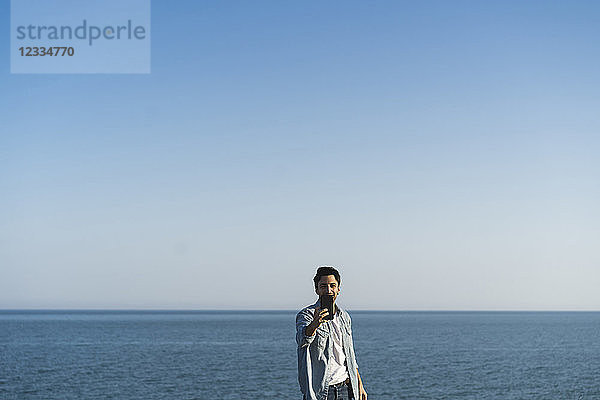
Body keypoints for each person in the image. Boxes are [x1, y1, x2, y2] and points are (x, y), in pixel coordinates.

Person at [296, 266, 368, 400]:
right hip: (321, 391)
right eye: (323, 286)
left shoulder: (344, 317)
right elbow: (302, 340)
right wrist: (315, 324)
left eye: (332, 286)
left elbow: (350, 355)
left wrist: (360, 385)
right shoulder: (306, 314)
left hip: (347, 388)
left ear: (338, 289)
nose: (328, 290)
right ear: (316, 289)